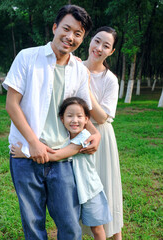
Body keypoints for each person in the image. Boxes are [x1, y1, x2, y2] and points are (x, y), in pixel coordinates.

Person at [2, 5, 101, 240]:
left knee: (69, 225)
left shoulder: (78, 69)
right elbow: (12, 104)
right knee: (33, 225)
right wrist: (33, 143)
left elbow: (82, 112)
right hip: (25, 155)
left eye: (78, 33)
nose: (71, 37)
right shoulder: (28, 57)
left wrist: (95, 133)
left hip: (63, 157)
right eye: (66, 29)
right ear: (55, 28)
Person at [11, 97, 112, 240]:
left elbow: (57, 156)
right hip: (74, 189)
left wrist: (25, 154)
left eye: (79, 116)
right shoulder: (64, 137)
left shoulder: (84, 137)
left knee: (96, 227)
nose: (74, 120)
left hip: (89, 189)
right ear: (62, 119)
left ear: (86, 119)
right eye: (69, 116)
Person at [82, 26, 123, 240]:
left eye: (106, 46)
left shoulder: (110, 79)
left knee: (107, 190)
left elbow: (101, 117)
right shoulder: (72, 66)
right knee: (81, 192)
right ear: (90, 40)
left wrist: (85, 84)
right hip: (77, 136)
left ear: (112, 52)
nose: (98, 48)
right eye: (97, 41)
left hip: (102, 138)